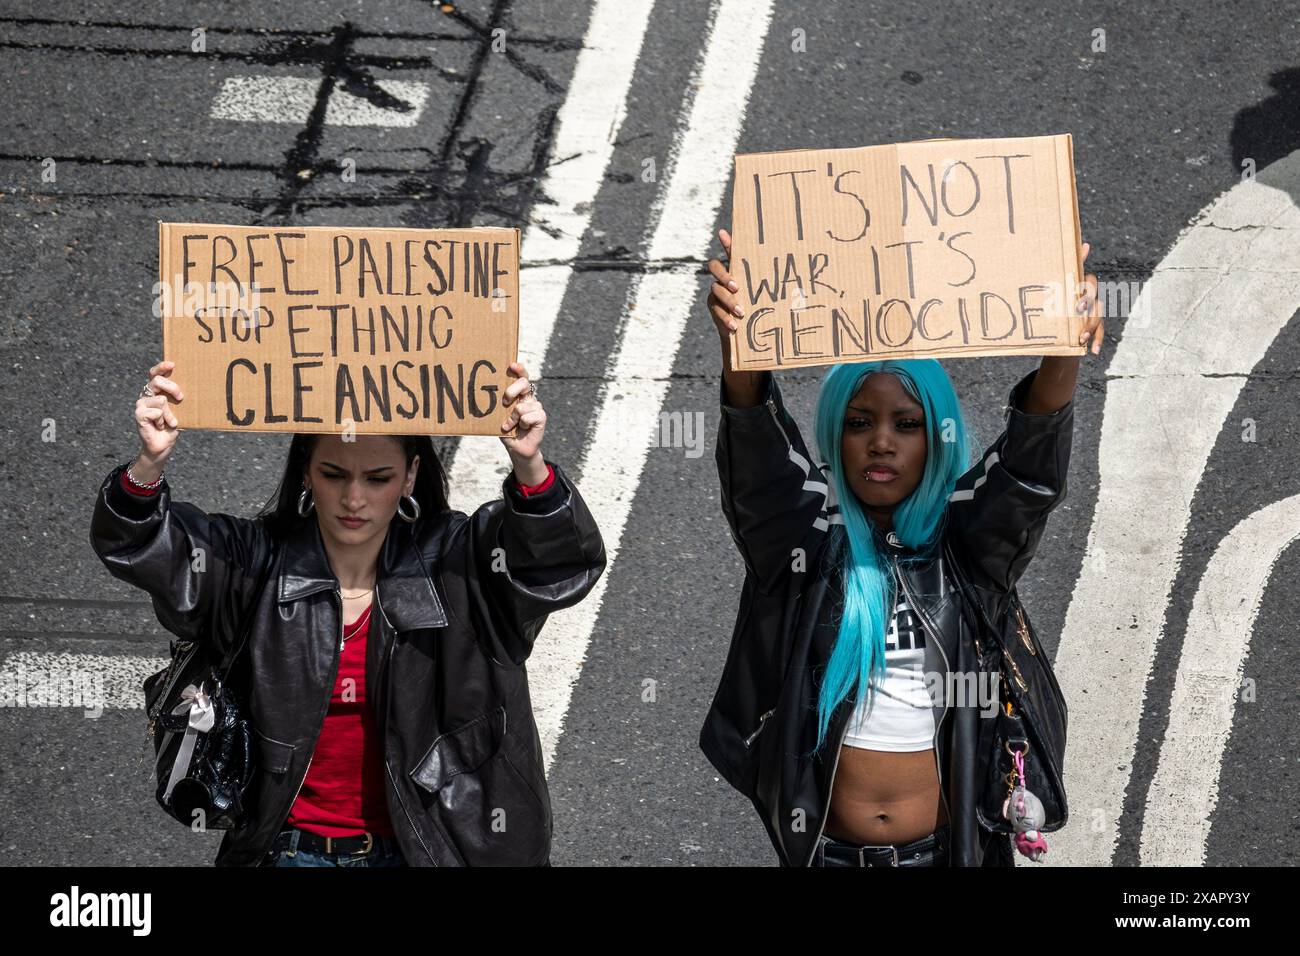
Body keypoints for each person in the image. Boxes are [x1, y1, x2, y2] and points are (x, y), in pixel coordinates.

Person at [91, 358, 606, 866]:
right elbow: (142, 544)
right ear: (307, 475)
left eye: (378, 479)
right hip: (287, 852)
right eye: (333, 474)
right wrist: (148, 466)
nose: (354, 498)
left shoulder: (461, 564)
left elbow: (557, 563)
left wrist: (529, 467)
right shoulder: (253, 565)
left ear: (410, 477)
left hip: (435, 852)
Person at [698, 228, 1102, 867]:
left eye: (906, 424)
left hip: (950, 853)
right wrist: (741, 351)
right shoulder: (806, 546)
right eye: (859, 423)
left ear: (935, 439)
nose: (881, 441)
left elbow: (1026, 476)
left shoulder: (968, 550)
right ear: (835, 435)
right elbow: (759, 470)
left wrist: (1063, 353)